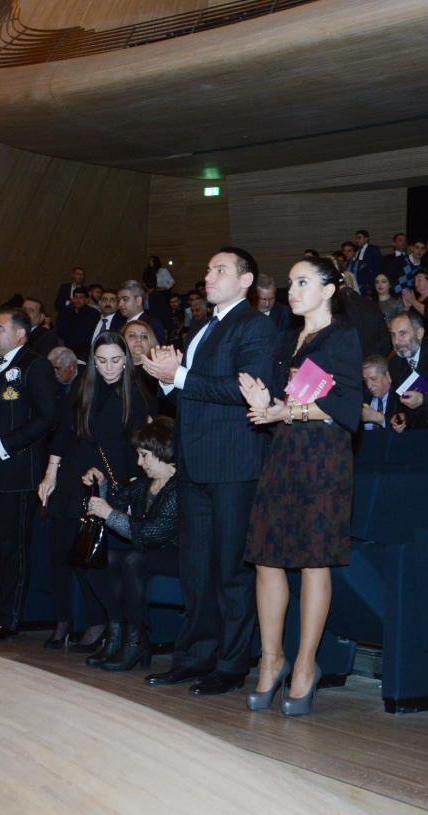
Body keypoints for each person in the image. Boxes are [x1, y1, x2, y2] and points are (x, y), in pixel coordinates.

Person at [139, 247, 275, 695]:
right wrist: (164, 378)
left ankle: (232, 663)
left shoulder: (254, 326)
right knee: (195, 568)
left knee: (232, 571)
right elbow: (191, 395)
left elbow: (242, 390)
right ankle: (194, 655)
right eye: (209, 267)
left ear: (245, 281)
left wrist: (177, 376)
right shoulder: (200, 328)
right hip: (194, 463)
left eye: (221, 270)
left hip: (233, 465)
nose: (209, 275)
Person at [240, 256, 362, 714]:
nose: (293, 290)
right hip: (285, 453)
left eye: (304, 282)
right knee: (267, 557)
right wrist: (262, 402)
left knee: (314, 562)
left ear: (329, 290)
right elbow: (285, 401)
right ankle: (271, 662)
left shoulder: (343, 336)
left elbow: (345, 405)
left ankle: (306, 668)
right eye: (291, 282)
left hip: (324, 458)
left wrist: (281, 411)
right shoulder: (286, 339)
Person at [38, 331, 154, 659]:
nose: (108, 368)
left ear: (127, 359)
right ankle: (62, 620)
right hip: (72, 472)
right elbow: (64, 431)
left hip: (108, 480)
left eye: (116, 360)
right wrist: (51, 471)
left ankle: (97, 622)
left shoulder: (136, 391)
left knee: (87, 554)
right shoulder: (82, 385)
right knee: (58, 549)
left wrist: (131, 490)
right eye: (101, 361)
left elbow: (136, 447)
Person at [0, 308, 60, 643]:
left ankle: (7, 620)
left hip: (17, 473)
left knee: (12, 550)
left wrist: (5, 445)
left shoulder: (35, 366)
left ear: (20, 333)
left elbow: (48, 416)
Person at [80, 416, 180, 672]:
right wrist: (101, 485)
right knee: (103, 559)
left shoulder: (179, 487)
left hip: (178, 556)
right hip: (147, 553)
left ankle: (136, 639)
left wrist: (109, 514)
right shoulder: (144, 485)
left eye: (144, 456)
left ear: (162, 451)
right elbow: (113, 504)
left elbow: (153, 533)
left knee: (132, 559)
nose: (139, 462)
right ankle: (116, 632)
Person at [360, 355, 406, 432]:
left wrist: (379, 418)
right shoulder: (362, 397)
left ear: (388, 376)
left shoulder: (402, 397)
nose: (369, 386)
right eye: (366, 381)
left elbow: (408, 429)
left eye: (373, 379)